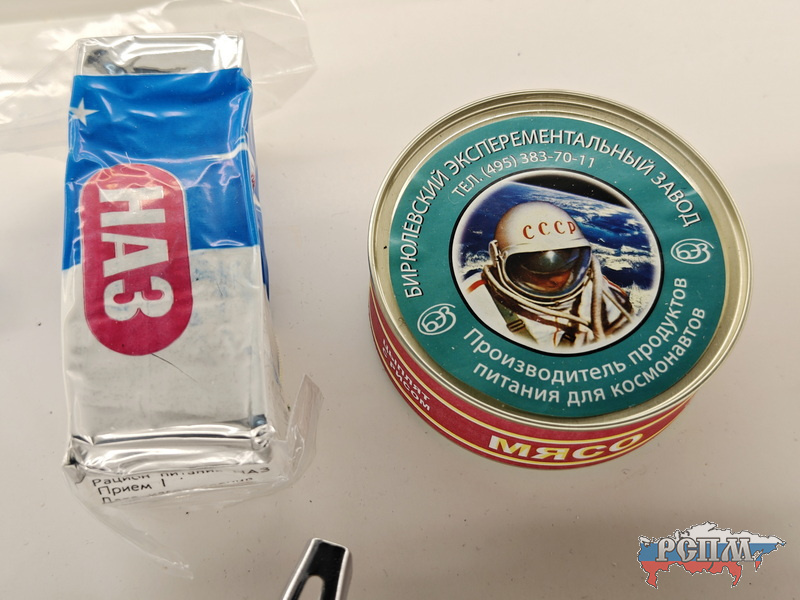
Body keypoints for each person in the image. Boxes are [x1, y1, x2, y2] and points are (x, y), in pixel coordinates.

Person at [464, 201, 633, 349]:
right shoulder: (474, 301)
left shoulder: (604, 295)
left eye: (566, 264)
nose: (556, 279)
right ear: (500, 259)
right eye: (538, 268)